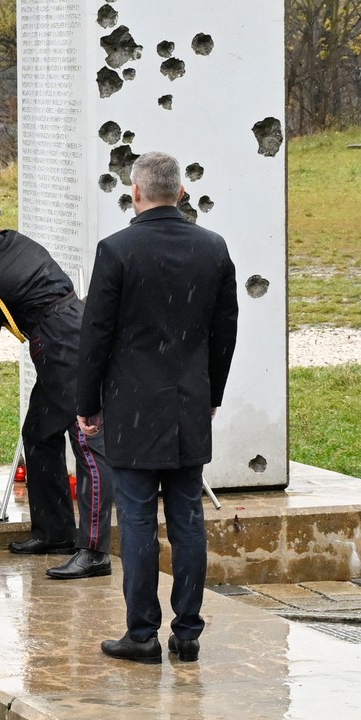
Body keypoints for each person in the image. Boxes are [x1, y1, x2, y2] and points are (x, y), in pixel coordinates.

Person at [77, 152, 238, 664]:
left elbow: (96, 333)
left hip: (132, 405)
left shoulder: (117, 250)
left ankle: (142, 633)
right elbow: (225, 332)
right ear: (182, 193)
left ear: (136, 192)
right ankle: (188, 632)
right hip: (188, 402)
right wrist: (211, 394)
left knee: (139, 518)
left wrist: (87, 403)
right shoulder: (212, 248)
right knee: (187, 516)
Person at [0, 193, 110, 581]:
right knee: (39, 433)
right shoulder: (13, 240)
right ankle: (55, 532)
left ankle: (94, 551)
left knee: (88, 445)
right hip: (71, 331)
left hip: (62, 347)